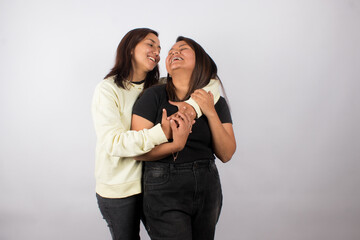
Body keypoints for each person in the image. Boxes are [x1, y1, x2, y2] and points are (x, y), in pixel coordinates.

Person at [92, 28, 221, 240]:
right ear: (130, 48)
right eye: (150, 44)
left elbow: (212, 83)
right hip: (120, 189)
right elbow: (113, 143)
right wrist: (162, 132)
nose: (157, 52)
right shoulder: (107, 89)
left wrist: (189, 109)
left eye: (159, 48)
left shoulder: (157, 86)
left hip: (152, 183)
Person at [132, 36, 236, 240]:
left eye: (183, 48)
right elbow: (136, 150)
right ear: (168, 69)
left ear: (200, 61)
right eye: (170, 51)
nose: (173, 52)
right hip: (164, 186)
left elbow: (226, 153)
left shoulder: (215, 101)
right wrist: (175, 144)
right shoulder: (152, 96)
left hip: (207, 185)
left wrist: (210, 111)